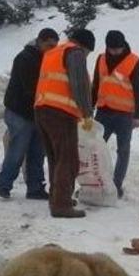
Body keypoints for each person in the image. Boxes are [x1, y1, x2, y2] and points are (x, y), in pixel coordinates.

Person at [34, 29, 96, 218]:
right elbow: (79, 85)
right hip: (61, 113)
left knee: (56, 159)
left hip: (42, 109)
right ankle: (61, 205)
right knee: (68, 161)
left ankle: (58, 198)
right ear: (84, 46)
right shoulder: (75, 53)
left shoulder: (54, 52)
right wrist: (87, 114)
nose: (86, 56)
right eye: (88, 52)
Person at [0, 28, 59, 200]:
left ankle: (35, 188)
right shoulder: (25, 58)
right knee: (17, 150)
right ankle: (4, 186)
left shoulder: (47, 59)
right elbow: (32, 89)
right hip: (20, 113)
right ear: (39, 41)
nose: (52, 49)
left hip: (37, 114)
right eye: (49, 45)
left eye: (55, 46)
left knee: (37, 153)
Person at [91, 30, 139, 199]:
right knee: (96, 149)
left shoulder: (133, 61)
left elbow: (138, 90)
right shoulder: (100, 59)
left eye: (118, 49)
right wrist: (89, 109)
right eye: (112, 49)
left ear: (123, 45)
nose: (115, 52)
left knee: (123, 150)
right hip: (103, 111)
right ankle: (95, 183)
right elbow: (95, 85)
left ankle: (116, 185)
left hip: (124, 115)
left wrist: (138, 115)